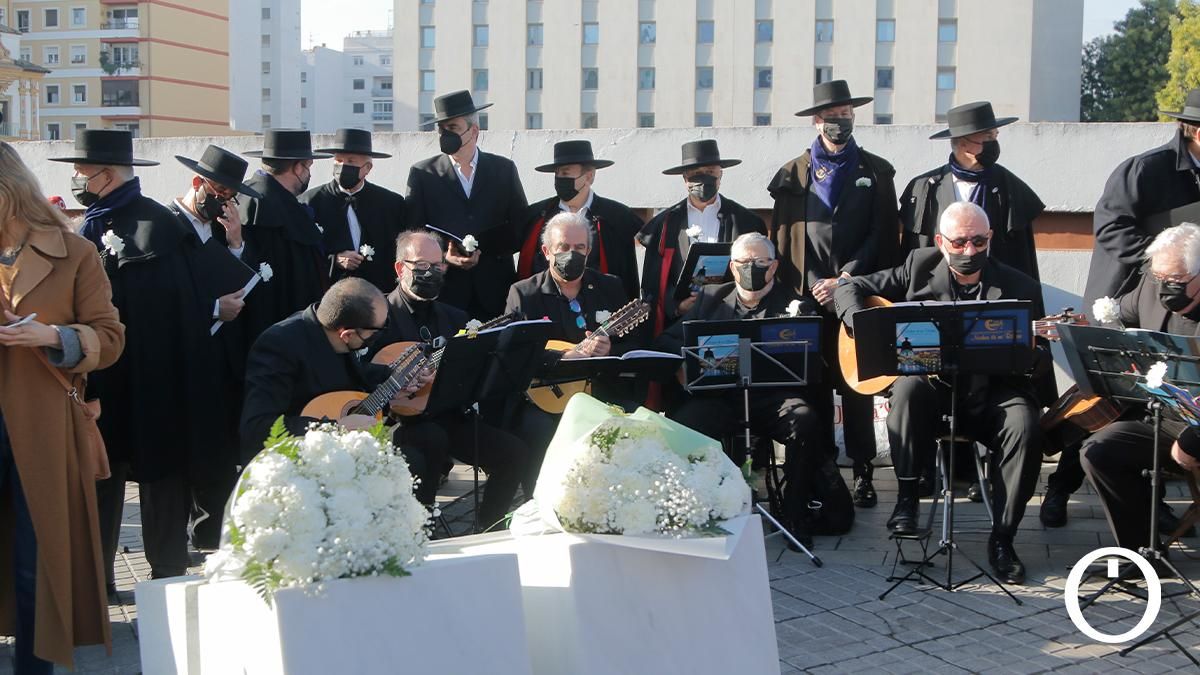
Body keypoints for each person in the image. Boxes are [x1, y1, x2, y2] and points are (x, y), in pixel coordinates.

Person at [834, 202, 1049, 584]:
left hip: (991, 394)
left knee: (1025, 423)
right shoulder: (918, 265)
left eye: (979, 242)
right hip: (932, 393)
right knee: (908, 387)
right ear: (940, 241)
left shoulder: (1020, 286)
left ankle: (1003, 537)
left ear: (991, 239)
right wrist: (861, 326)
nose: (970, 251)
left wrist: (1030, 346)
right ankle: (906, 499)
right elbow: (850, 286)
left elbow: (1037, 362)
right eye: (960, 242)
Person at [50, 130, 213, 585]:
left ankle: (149, 569)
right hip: (121, 373)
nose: (79, 180)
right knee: (110, 470)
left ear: (107, 174)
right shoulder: (109, 223)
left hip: (138, 373)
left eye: (83, 172)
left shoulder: (155, 227)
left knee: (144, 471)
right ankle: (119, 574)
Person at [1048, 89, 1200, 528]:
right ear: (1191, 129)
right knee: (1108, 404)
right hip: (1129, 297)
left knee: (1166, 403)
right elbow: (1110, 230)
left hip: (1187, 300)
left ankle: (1151, 507)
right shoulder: (1144, 170)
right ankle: (1060, 489)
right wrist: (1166, 261)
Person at [0, 141, 124, 673]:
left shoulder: (75, 253)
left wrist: (51, 336)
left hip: (40, 429)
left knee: (37, 563)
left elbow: (110, 338)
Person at [768, 80, 901, 509]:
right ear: (816, 120)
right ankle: (822, 466)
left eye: (846, 113)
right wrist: (812, 283)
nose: (839, 121)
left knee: (858, 381)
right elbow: (784, 236)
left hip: (855, 289)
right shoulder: (792, 174)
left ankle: (863, 470)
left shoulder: (876, 171)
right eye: (831, 115)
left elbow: (883, 233)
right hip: (806, 294)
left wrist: (847, 277)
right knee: (815, 382)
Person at [654, 232, 831, 543]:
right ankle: (697, 508)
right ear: (733, 268)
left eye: (760, 262)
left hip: (772, 399)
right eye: (744, 263)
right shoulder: (709, 300)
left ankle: (794, 511)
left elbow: (816, 363)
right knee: (684, 423)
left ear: (774, 267)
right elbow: (666, 342)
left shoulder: (795, 306)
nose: (752, 268)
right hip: (720, 397)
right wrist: (681, 366)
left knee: (805, 421)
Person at [363, 230, 531, 529]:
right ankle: (420, 529)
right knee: (432, 440)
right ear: (401, 268)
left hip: (447, 415)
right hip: (395, 423)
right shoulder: (379, 316)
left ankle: (488, 529)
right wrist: (398, 382)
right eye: (422, 266)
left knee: (514, 452)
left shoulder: (454, 318)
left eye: (438, 265)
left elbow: (470, 377)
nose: (432, 273)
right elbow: (362, 376)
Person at [1081, 223, 1200, 552]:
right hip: (1167, 417)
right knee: (1099, 451)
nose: (1164, 289)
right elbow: (1117, 320)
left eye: (1174, 282)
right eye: (1159, 279)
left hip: (1196, 430)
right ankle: (1139, 555)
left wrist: (1193, 441)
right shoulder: (1152, 284)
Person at [169, 144, 262, 551]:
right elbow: (164, 295)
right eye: (218, 191)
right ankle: (187, 538)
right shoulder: (169, 224)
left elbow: (238, 273)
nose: (223, 201)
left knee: (219, 453)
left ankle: (212, 537)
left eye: (230, 196)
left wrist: (237, 240)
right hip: (181, 354)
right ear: (197, 183)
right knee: (189, 454)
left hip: (222, 356)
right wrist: (211, 307)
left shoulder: (219, 228)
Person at [505, 212, 631, 490]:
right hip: (543, 397)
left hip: (598, 391)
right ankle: (538, 500)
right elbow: (514, 355)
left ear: (589, 251)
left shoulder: (609, 287)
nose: (572, 254)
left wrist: (611, 348)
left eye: (580, 248)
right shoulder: (524, 294)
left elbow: (636, 344)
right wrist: (562, 357)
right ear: (546, 251)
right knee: (536, 431)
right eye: (563, 247)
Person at [405, 91, 528, 318]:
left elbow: (520, 226)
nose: (445, 134)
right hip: (446, 291)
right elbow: (413, 231)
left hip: (494, 288)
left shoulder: (503, 170)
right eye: (441, 129)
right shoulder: (423, 173)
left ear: (473, 131)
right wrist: (444, 256)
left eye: (452, 128)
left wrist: (484, 250)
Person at [240, 277, 395, 457]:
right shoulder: (278, 345)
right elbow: (257, 428)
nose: (376, 337)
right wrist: (334, 428)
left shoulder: (329, 331)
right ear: (346, 334)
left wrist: (392, 376)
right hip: (290, 465)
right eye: (375, 333)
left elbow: (349, 371)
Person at [900, 101, 1043, 280]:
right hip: (938, 293)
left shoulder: (1009, 187)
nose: (994, 143)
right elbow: (913, 253)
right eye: (988, 137)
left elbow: (1022, 259)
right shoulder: (925, 188)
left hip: (994, 291)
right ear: (963, 143)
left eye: (995, 136)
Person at [639, 139, 766, 339]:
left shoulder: (746, 221)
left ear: (720, 173)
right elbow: (651, 283)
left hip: (733, 317)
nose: (704, 179)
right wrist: (677, 306)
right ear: (685, 178)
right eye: (696, 174)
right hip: (681, 325)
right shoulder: (664, 225)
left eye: (710, 172)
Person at [238, 129, 331, 343]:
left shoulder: (247, 193)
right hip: (277, 321)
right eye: (308, 167)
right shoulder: (270, 203)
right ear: (298, 167)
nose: (308, 174)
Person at [517, 140, 640, 300]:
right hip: (546, 308)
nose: (559, 179)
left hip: (601, 309)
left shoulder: (617, 216)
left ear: (589, 176)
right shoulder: (537, 215)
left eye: (566, 173)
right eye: (557, 174)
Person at [301, 128, 406, 293]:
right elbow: (302, 255)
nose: (343, 166)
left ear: (367, 168)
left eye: (350, 161)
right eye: (339, 161)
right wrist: (334, 259)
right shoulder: (310, 202)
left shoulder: (390, 203)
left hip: (377, 291)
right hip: (329, 292)